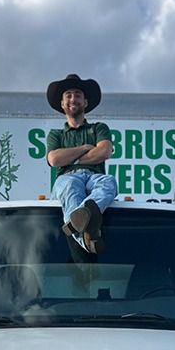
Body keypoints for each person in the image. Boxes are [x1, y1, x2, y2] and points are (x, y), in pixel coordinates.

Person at [46, 74, 118, 254]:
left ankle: (77, 220)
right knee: (70, 185)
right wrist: (86, 148)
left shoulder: (100, 128)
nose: (73, 99)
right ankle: (86, 239)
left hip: (94, 176)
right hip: (66, 178)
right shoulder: (56, 134)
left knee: (109, 182)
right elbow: (54, 159)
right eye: (68, 95)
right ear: (62, 104)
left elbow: (104, 151)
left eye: (77, 94)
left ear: (85, 102)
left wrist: (70, 158)